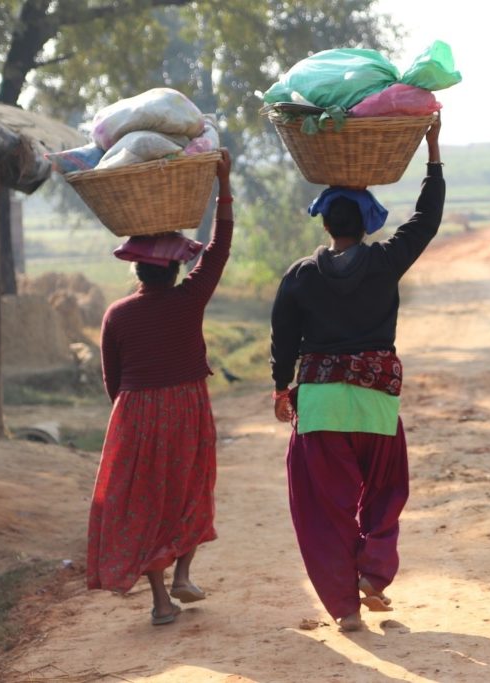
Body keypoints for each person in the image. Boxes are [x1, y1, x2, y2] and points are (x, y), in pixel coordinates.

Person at [269, 117, 444, 632]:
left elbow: (284, 339)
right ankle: (372, 572)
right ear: (367, 224)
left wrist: (282, 387)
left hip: (321, 405)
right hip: (375, 403)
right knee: (387, 490)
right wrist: (432, 151)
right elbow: (426, 219)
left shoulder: (300, 276)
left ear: (326, 225)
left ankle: (346, 610)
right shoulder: (387, 262)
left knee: (325, 510)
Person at [87, 150, 233, 626]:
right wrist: (223, 184)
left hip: (134, 412)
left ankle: (161, 602)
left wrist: (132, 417)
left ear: (137, 271)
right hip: (186, 406)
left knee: (145, 502)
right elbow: (220, 246)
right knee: (191, 487)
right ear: (174, 269)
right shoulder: (189, 299)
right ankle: (183, 574)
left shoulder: (117, 315)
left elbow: (113, 378)